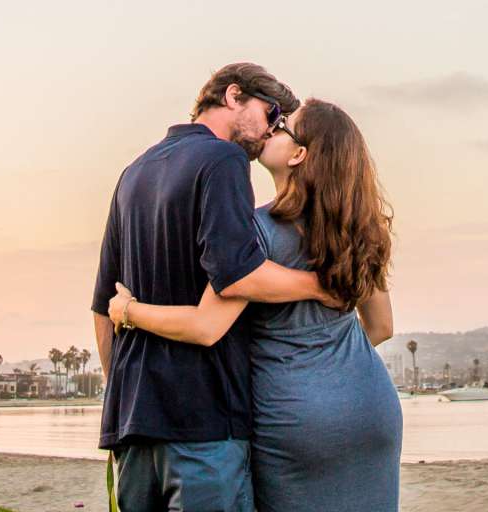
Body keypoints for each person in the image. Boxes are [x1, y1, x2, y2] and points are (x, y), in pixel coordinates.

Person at [111, 99, 400, 512]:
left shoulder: (255, 233)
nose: (271, 130)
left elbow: (204, 326)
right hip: (372, 408)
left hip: (294, 416)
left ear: (299, 155)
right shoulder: (361, 230)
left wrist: (128, 311)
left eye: (283, 127)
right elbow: (382, 327)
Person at [92, 63, 338, 512]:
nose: (271, 131)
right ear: (232, 96)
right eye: (271, 115)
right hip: (203, 424)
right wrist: (322, 286)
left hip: (133, 426)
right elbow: (238, 273)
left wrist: (128, 394)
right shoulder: (223, 159)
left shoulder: (133, 172)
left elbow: (102, 308)